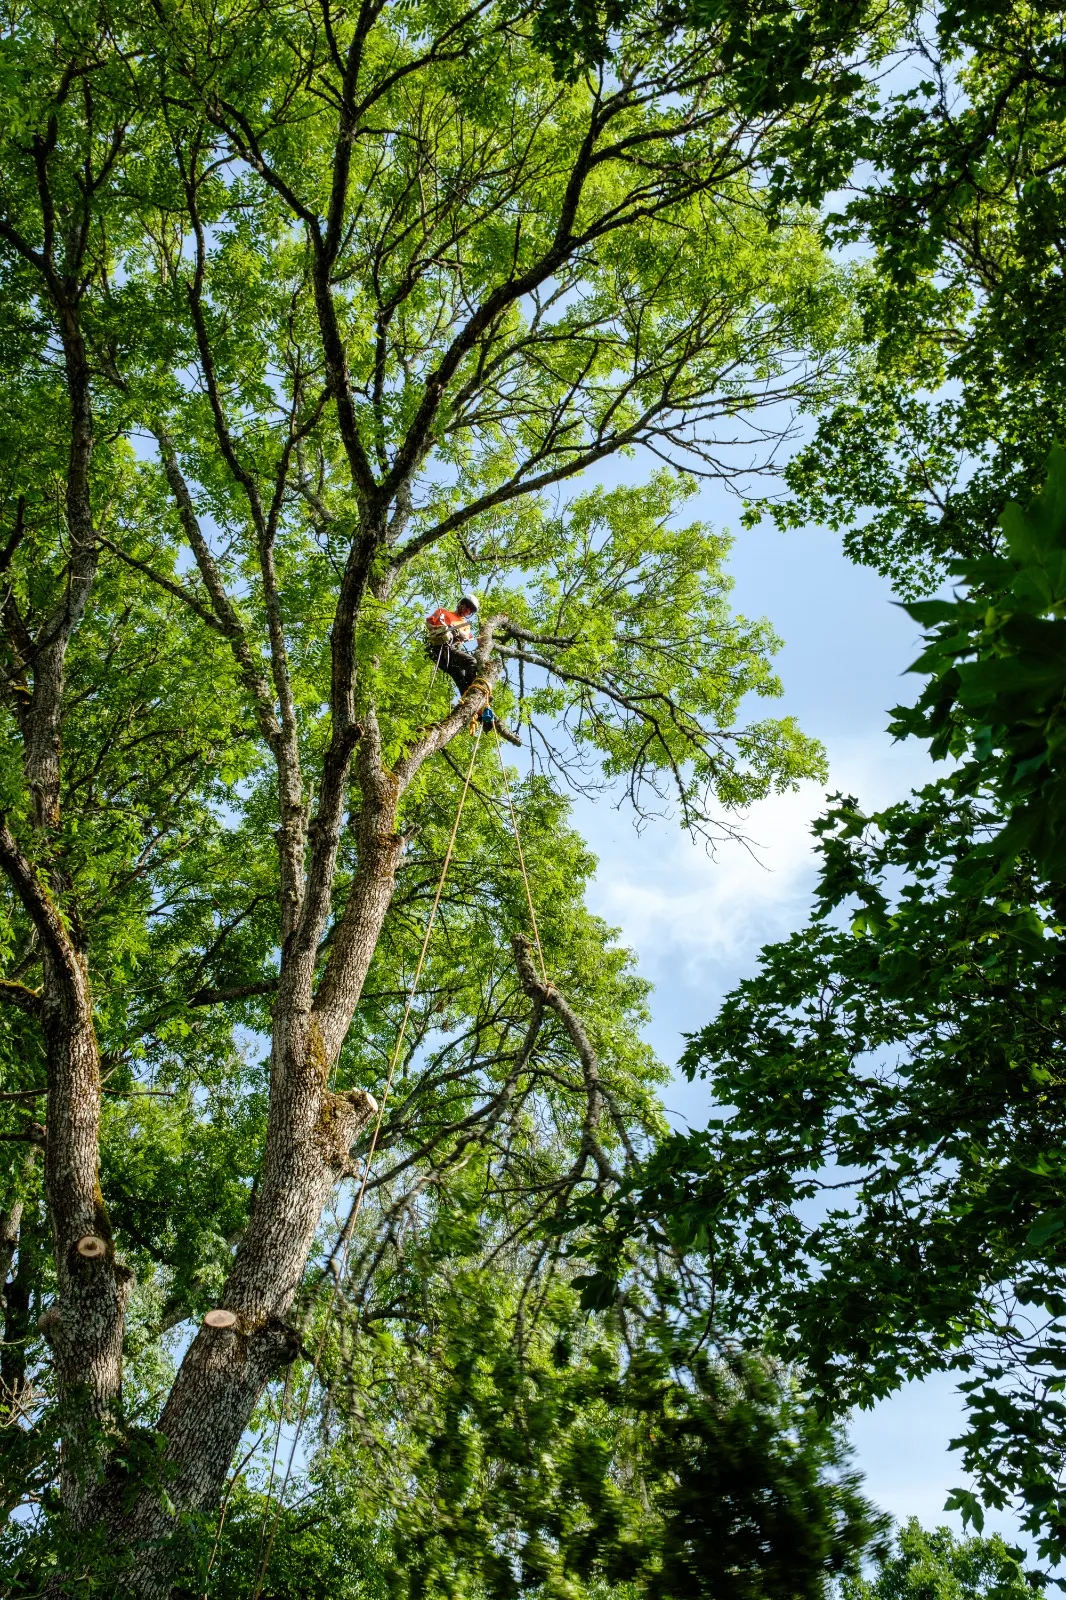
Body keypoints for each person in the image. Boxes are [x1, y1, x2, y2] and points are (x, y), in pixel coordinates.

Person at [424, 594, 522, 745]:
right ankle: (474, 692)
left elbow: (466, 636)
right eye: (466, 607)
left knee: (460, 675)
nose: (467, 611)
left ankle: (478, 709)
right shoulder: (443, 612)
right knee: (471, 661)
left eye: (470, 610)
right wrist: (441, 628)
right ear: (460, 604)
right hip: (439, 649)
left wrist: (459, 632)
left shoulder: (465, 624)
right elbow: (428, 623)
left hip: (451, 652)